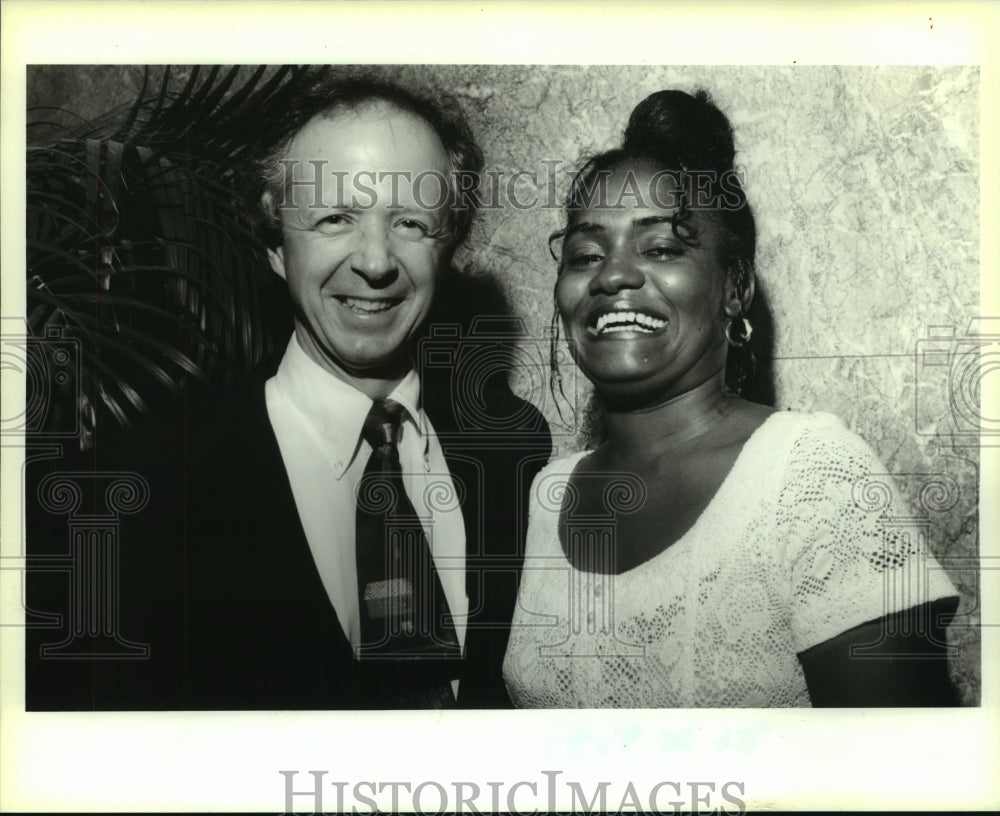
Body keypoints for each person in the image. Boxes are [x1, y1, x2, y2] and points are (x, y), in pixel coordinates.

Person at [26, 72, 551, 710]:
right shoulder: (131, 487)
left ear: (450, 247)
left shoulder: (512, 447)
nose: (376, 262)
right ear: (276, 245)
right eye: (335, 218)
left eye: (412, 223)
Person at [502, 89, 959, 708]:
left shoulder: (811, 474)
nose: (612, 276)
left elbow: (895, 774)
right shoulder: (542, 495)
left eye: (661, 248)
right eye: (586, 253)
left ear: (735, 287)